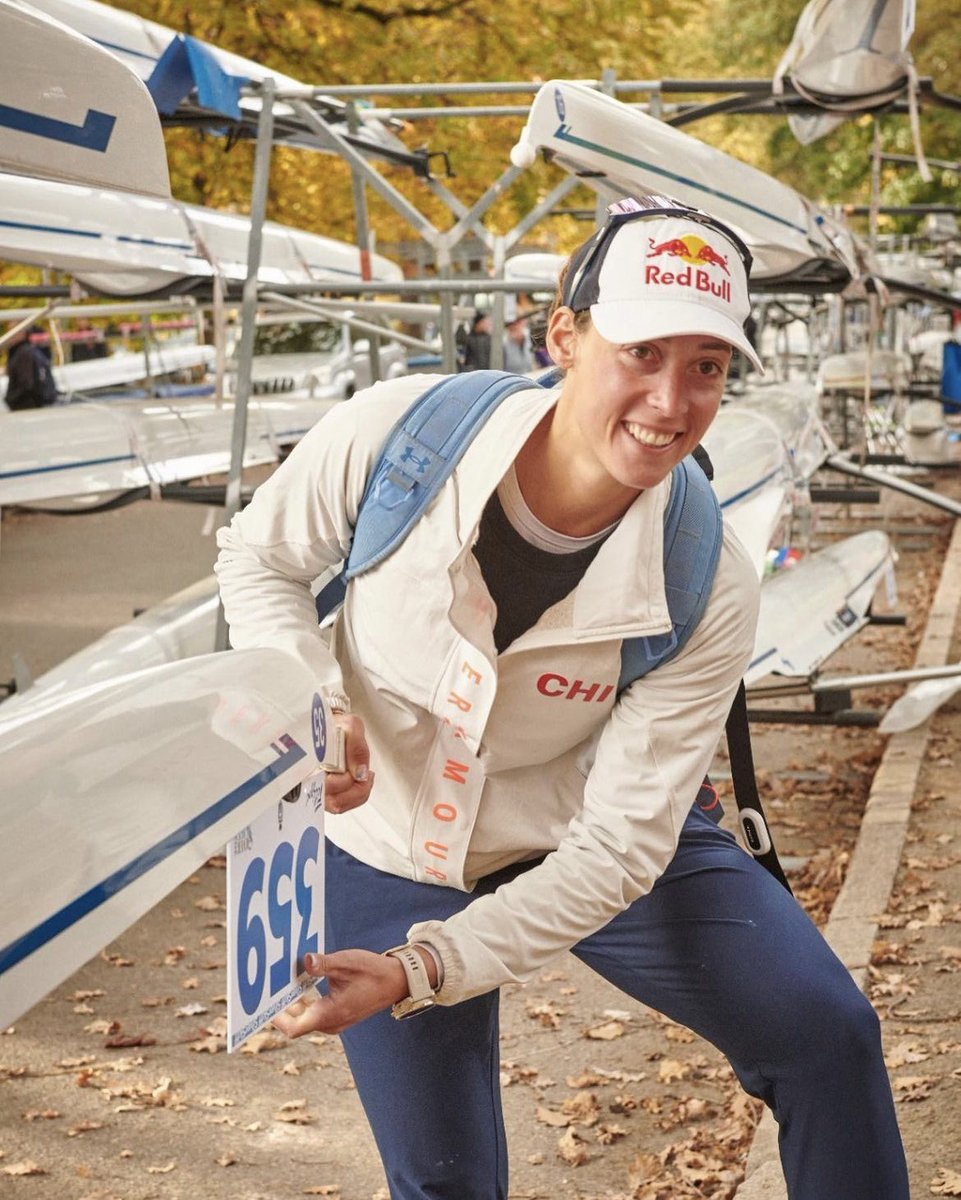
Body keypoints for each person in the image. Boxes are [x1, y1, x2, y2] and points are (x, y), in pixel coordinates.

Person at [215, 194, 909, 1200]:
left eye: (705, 368)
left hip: (582, 821)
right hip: (391, 833)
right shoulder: (397, 440)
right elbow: (259, 560)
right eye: (640, 353)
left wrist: (428, 966)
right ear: (565, 336)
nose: (671, 403)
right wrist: (314, 691)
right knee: (444, 1179)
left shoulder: (704, 574)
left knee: (827, 1034)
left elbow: (621, 845)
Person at [4, 326, 59, 410]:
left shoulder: (23, 353)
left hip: (26, 406)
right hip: (30, 404)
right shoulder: (26, 350)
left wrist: (11, 399)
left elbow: (27, 384)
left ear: (22, 334)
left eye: (12, 332)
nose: (9, 336)